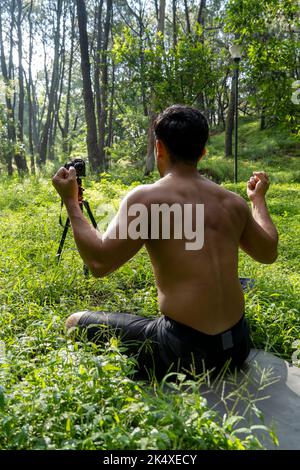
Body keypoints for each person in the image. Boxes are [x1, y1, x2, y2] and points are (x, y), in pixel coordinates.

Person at [52, 105, 279, 381]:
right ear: (203, 151)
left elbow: (99, 263)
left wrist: (71, 202)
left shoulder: (146, 200)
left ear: (159, 148)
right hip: (238, 346)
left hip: (184, 352)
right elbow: (268, 252)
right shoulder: (232, 202)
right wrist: (257, 200)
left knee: (74, 322)